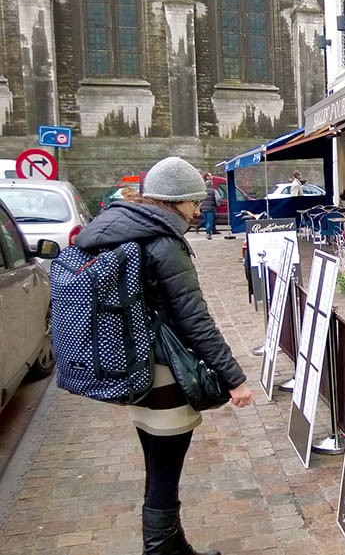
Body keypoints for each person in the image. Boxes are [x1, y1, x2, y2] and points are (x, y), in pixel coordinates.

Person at [74, 156, 253, 555]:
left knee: (156, 465)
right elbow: (194, 318)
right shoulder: (162, 240)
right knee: (165, 471)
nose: (196, 211)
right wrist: (234, 377)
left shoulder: (115, 227)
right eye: (192, 203)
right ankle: (159, 550)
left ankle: (176, 547)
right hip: (163, 374)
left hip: (129, 366)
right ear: (173, 201)